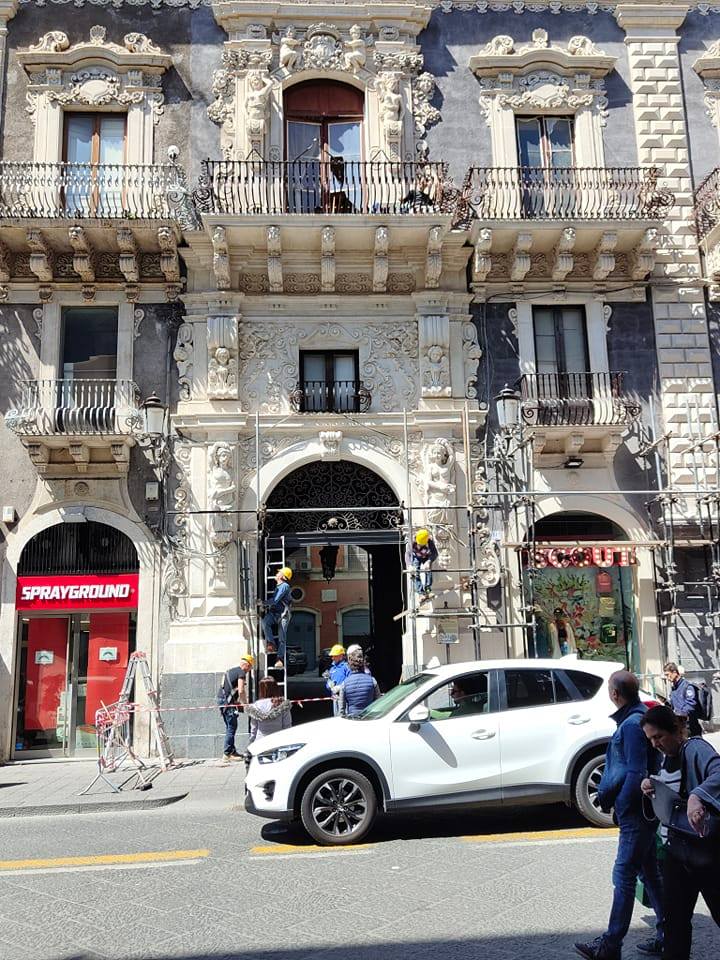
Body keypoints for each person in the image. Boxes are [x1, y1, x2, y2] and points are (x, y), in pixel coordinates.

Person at [575, 670, 664, 960]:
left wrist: (620, 805)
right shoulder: (637, 718)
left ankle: (610, 945)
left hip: (635, 814)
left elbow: (633, 771)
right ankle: (668, 932)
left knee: (624, 875)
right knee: (649, 873)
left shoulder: (629, 725)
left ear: (615, 694)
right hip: (642, 811)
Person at [640, 705, 720, 960]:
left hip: (706, 852)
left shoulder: (695, 748)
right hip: (677, 852)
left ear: (676, 730)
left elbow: (718, 771)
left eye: (659, 737)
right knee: (674, 924)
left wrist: (698, 796)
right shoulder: (666, 757)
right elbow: (672, 796)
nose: (655, 744)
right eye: (651, 739)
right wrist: (652, 786)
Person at [217, 654, 253, 763]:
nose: (249, 671)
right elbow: (241, 690)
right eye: (250, 668)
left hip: (223, 701)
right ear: (246, 665)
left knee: (230, 726)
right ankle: (227, 754)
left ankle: (232, 751)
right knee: (232, 726)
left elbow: (230, 688)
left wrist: (236, 701)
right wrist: (246, 704)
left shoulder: (231, 671)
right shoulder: (241, 672)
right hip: (228, 703)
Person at [245, 676, 292, 746]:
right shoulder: (283, 705)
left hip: (260, 741)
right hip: (278, 741)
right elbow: (287, 725)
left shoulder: (255, 706)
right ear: (275, 688)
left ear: (261, 689)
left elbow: (254, 728)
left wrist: (251, 741)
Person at [261, 567, 293, 667]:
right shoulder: (278, 586)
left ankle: (280, 659)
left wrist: (262, 603)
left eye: (279, 572)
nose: (277, 573)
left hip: (283, 615)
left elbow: (275, 600)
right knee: (265, 622)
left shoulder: (284, 586)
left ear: (283, 576)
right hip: (274, 613)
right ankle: (271, 644)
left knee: (282, 638)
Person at [663, 662, 702, 737]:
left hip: (690, 727)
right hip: (679, 727)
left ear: (674, 672)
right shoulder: (674, 689)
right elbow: (672, 704)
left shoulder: (687, 686)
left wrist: (678, 714)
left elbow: (691, 705)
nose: (667, 678)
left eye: (668, 675)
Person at [338, 649, 380, 717]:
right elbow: (379, 703)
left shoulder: (344, 684)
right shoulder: (372, 681)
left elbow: (341, 709)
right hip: (369, 718)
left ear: (350, 666)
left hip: (352, 719)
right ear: (363, 664)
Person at [407, 528, 438, 598]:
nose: (420, 546)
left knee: (428, 571)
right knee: (415, 573)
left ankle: (428, 590)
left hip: (426, 557)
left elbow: (435, 553)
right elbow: (407, 554)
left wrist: (429, 561)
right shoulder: (412, 542)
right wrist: (409, 565)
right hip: (416, 557)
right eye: (420, 544)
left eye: (422, 544)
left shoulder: (429, 542)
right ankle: (421, 593)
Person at [323, 644, 351, 715]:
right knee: (336, 718)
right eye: (332, 656)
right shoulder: (332, 668)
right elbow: (328, 686)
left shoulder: (346, 667)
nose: (332, 658)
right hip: (335, 698)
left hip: (345, 699)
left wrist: (340, 687)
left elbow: (351, 681)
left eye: (335, 656)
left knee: (345, 717)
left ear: (341, 656)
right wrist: (329, 683)